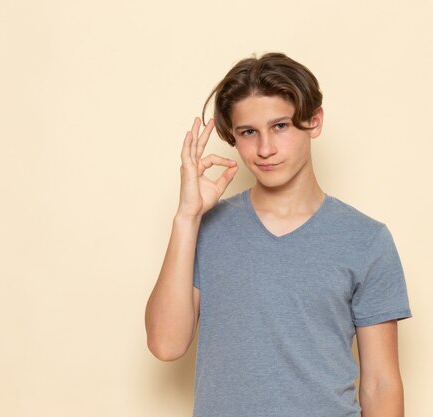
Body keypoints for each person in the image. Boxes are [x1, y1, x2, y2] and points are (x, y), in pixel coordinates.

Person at [145, 52, 411, 417]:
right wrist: (186, 218)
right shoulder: (205, 229)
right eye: (248, 132)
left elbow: (380, 384)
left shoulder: (366, 240)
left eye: (281, 126)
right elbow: (165, 344)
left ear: (314, 121)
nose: (265, 148)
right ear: (233, 139)